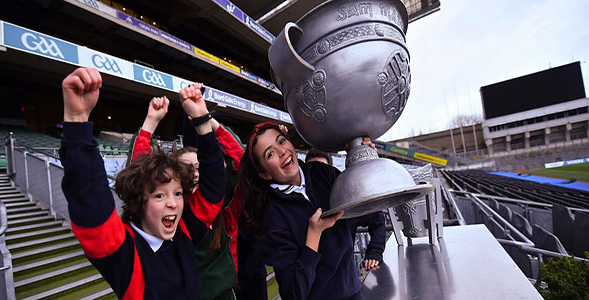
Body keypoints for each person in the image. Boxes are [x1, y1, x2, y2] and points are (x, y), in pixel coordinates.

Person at [60, 67, 225, 299]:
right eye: (159, 195)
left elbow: (215, 182)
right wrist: (77, 121)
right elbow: (91, 202)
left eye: (178, 193)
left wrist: (202, 120)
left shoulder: (185, 229)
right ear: (139, 200)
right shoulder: (124, 252)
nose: (173, 204)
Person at [237, 122, 378, 300]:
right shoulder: (272, 217)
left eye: (281, 141)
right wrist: (313, 234)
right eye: (270, 154)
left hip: (353, 292)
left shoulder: (323, 173)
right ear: (264, 174)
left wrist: (364, 162)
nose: (282, 152)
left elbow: (367, 209)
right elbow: (294, 293)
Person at [127, 89, 244, 300]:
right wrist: (149, 124)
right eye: (187, 170)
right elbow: (139, 176)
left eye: (200, 168)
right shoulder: (173, 218)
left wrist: (207, 121)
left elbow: (239, 162)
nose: (196, 174)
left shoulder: (220, 203)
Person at [304, 149, 386, 272]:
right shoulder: (299, 206)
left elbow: (376, 218)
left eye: (322, 169)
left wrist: (374, 252)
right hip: (311, 280)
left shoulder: (344, 203)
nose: (318, 176)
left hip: (345, 278)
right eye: (312, 169)